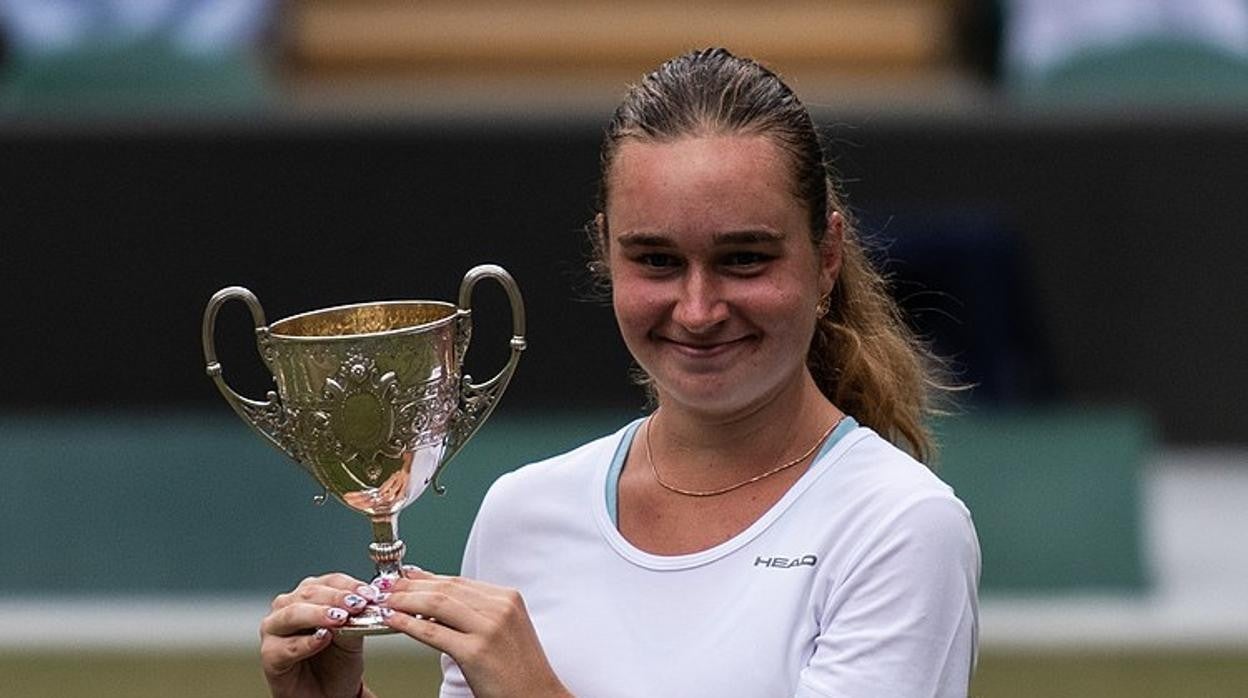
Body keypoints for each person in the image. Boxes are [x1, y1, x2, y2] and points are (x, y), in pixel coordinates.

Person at [259, 47, 980, 698]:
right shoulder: (523, 513)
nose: (698, 309)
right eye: (657, 261)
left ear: (825, 257)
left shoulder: (900, 527)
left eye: (744, 259)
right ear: (605, 254)